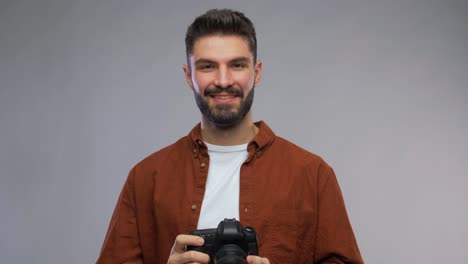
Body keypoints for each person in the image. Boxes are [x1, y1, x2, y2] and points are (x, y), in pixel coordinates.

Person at [96, 8, 363, 264]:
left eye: (237, 65)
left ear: (256, 73)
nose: (223, 80)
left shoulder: (312, 175)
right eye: (208, 66)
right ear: (189, 76)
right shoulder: (145, 179)